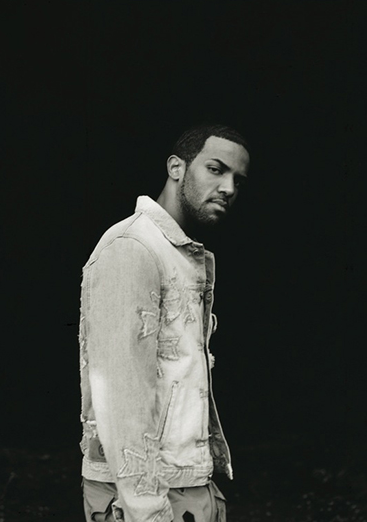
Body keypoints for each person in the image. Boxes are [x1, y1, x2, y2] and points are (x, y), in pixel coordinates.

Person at [78, 124, 250, 522]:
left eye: (238, 180)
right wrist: (147, 510)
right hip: (144, 496)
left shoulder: (179, 253)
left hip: (187, 483)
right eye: (216, 169)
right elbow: (119, 392)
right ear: (176, 167)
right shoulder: (132, 248)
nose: (228, 188)